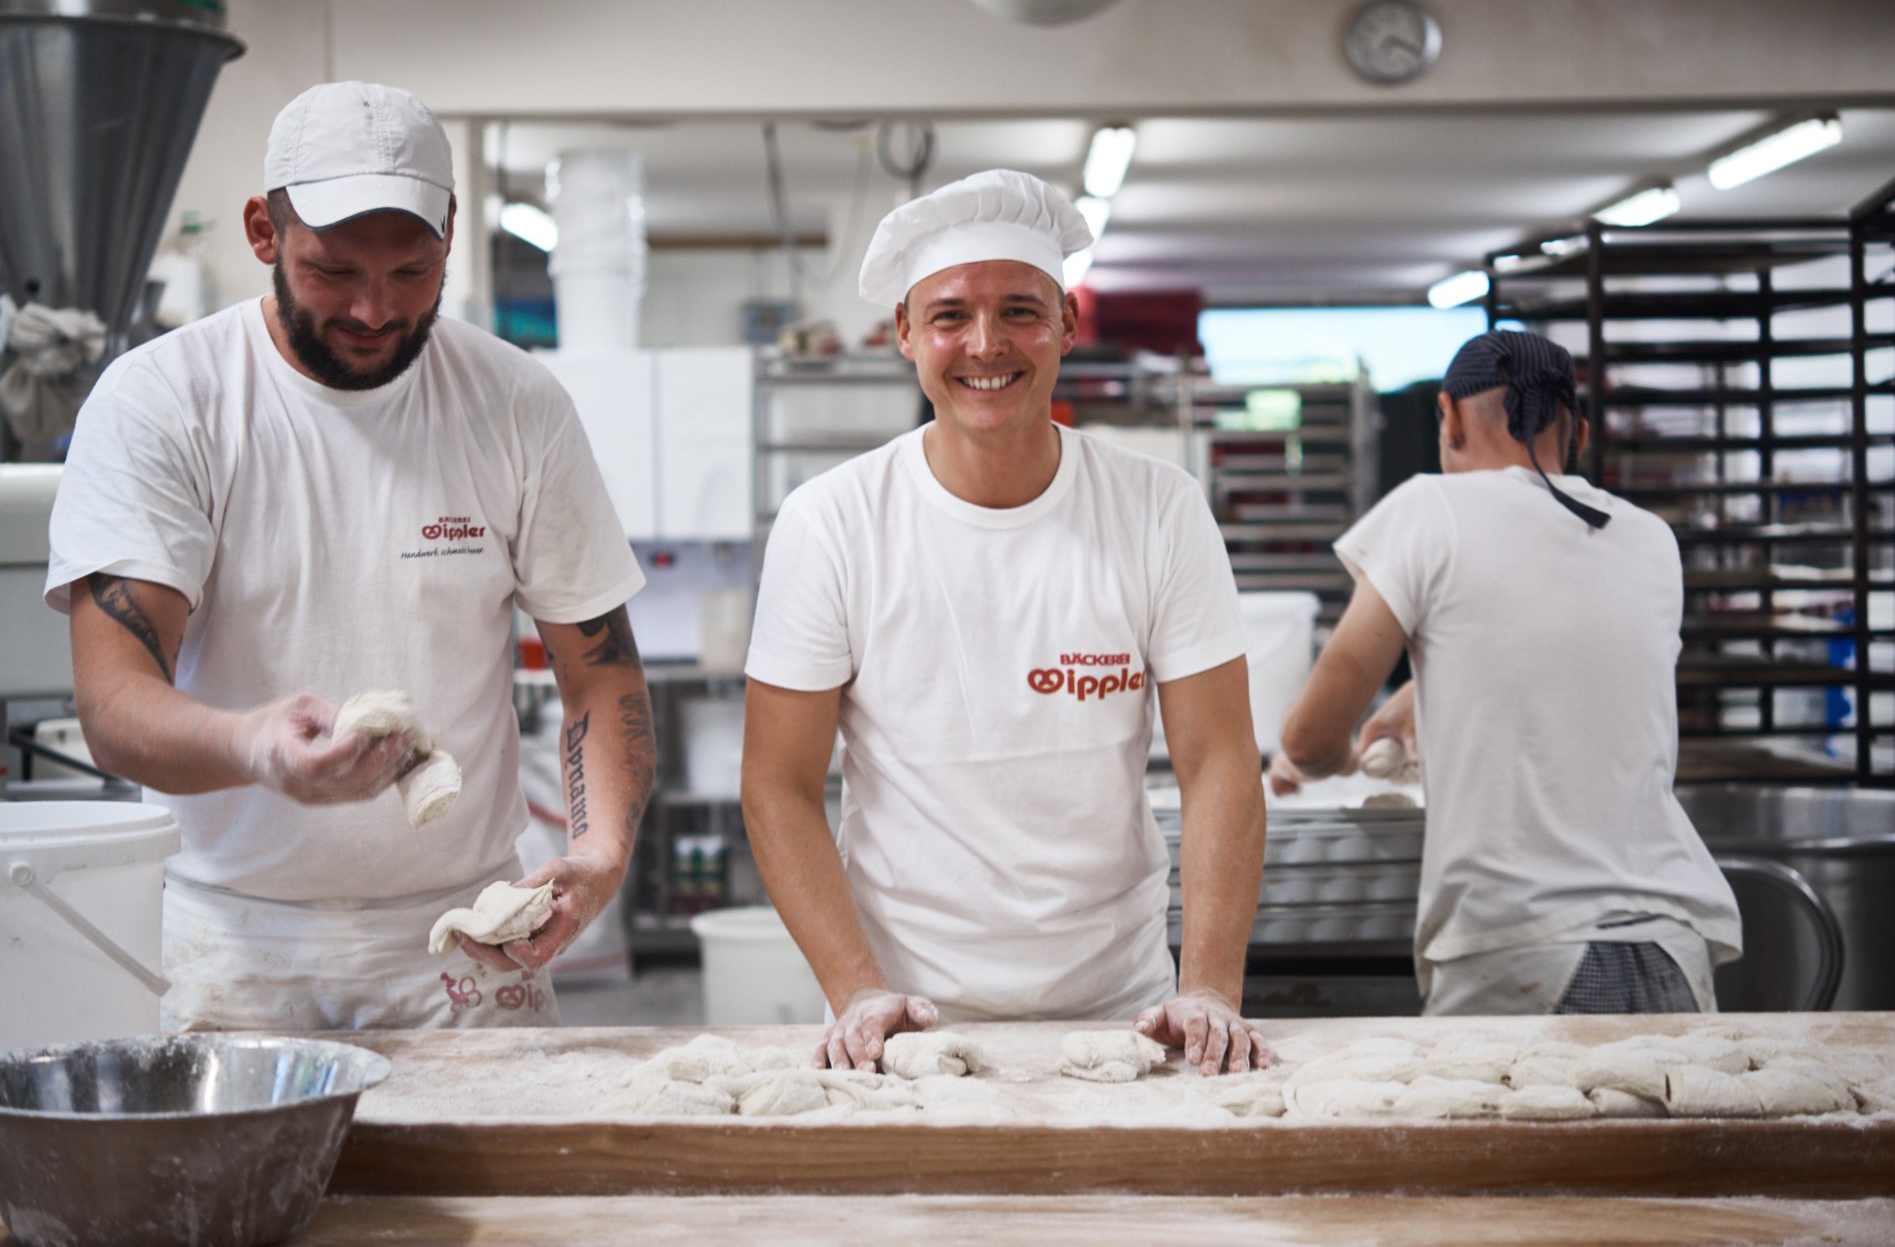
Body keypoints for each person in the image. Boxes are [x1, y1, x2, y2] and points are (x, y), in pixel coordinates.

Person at [45, 81, 654, 1031]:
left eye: (411, 273)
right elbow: (115, 707)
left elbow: (601, 672)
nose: (375, 309)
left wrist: (600, 854)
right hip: (228, 942)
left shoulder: (514, 405)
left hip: (467, 943)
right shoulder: (164, 403)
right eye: (332, 271)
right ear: (262, 231)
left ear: (450, 234)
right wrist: (257, 748)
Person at [740, 169, 1268, 1077]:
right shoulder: (832, 521)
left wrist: (1210, 986)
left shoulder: (1157, 509)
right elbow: (778, 783)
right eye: (949, 315)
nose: (985, 344)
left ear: (1067, 323)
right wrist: (856, 988)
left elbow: (1218, 758)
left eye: (1020, 310)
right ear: (904, 333)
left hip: (1126, 1011)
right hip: (905, 1018)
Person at [1271, 329, 1741, 1016]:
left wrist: (1333, 761)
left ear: (1449, 415)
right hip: (1673, 944)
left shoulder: (1430, 508)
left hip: (1524, 950)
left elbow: (1308, 740)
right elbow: (1567, 653)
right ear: (1575, 428)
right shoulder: (1648, 537)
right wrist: (1416, 695)